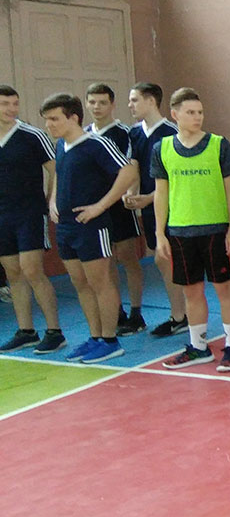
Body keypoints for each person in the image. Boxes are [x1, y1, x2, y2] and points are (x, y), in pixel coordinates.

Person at [41, 93, 139, 363]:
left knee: (100, 282)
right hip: (67, 227)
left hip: (92, 226)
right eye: (47, 120)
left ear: (73, 118)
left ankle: (110, 340)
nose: (49, 125)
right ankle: (95, 337)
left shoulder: (97, 144)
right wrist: (54, 201)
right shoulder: (61, 145)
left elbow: (128, 172)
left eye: (54, 119)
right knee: (80, 283)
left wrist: (100, 206)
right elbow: (59, 174)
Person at [151, 89, 230, 372]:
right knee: (191, 291)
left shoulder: (218, 145)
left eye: (200, 112)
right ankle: (198, 347)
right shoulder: (162, 148)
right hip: (180, 232)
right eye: (190, 112)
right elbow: (161, 194)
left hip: (215, 230)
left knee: (224, 288)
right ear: (174, 114)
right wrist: (159, 234)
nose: (197, 117)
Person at [0, 85, 65, 354]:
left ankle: (54, 331)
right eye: (5, 104)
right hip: (3, 216)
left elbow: (56, 169)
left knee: (32, 270)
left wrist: (52, 200)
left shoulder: (32, 135)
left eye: (15, 103)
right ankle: (26, 330)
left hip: (29, 213)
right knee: (13, 273)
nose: (11, 109)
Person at [84, 83, 147, 336]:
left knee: (127, 257)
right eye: (92, 102)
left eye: (102, 102)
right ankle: (116, 309)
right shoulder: (85, 134)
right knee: (105, 260)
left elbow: (133, 166)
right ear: (86, 104)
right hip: (96, 206)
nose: (97, 107)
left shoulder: (124, 133)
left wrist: (131, 192)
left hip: (119, 207)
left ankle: (136, 312)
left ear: (112, 105)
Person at [126, 82, 187, 337]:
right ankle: (180, 314)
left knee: (169, 260)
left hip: (175, 208)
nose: (130, 105)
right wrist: (131, 193)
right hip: (151, 210)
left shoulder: (172, 133)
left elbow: (178, 178)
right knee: (162, 259)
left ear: (151, 101)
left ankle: (182, 315)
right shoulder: (134, 133)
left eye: (135, 100)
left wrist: (151, 198)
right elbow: (134, 167)